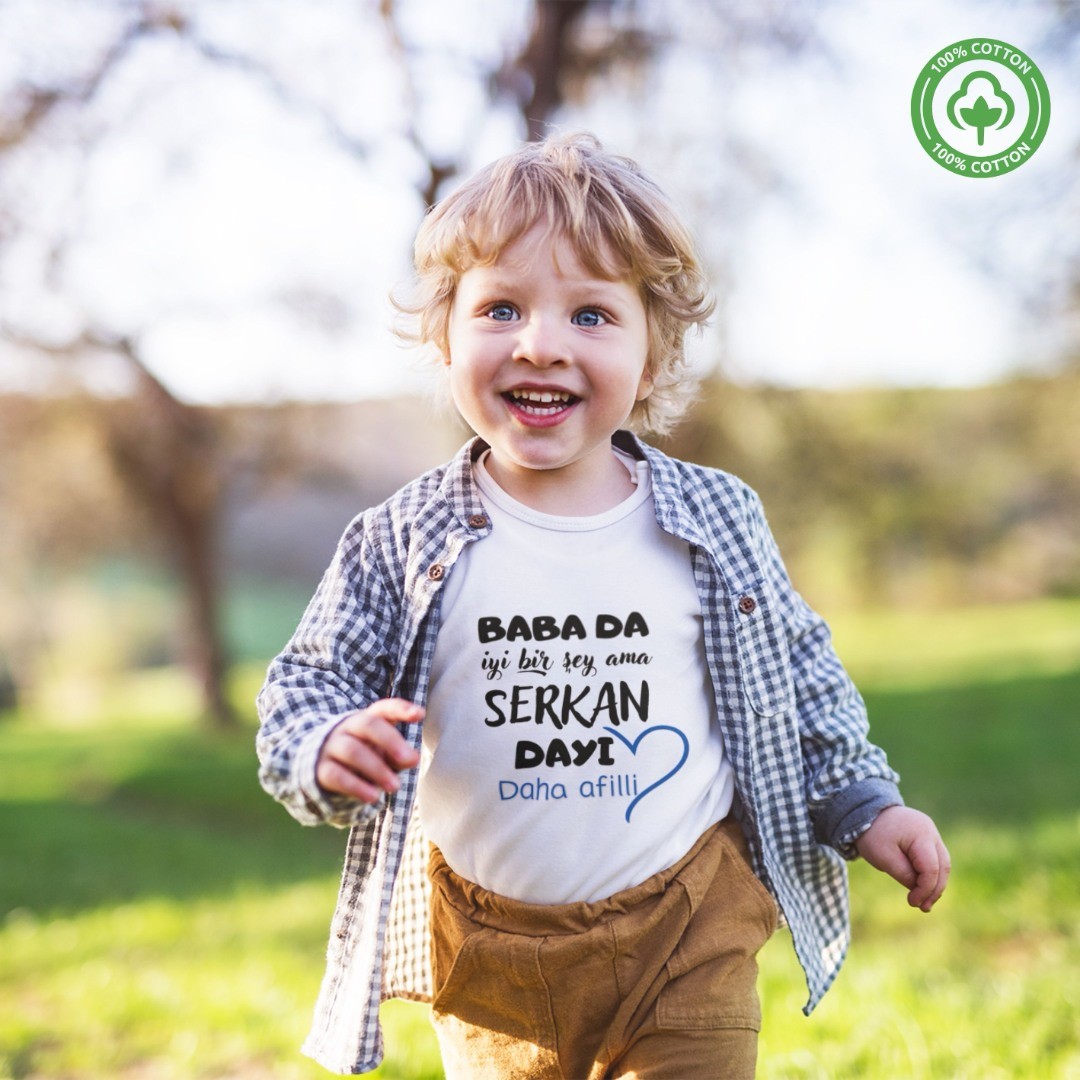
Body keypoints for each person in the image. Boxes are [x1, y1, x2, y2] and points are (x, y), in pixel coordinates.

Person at [256, 132, 950, 1078]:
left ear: (652, 351)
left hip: (686, 928)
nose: (540, 343)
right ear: (446, 335)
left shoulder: (713, 517)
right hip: (493, 956)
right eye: (501, 307)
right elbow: (308, 682)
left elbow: (799, 674)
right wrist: (325, 745)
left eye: (591, 315)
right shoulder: (402, 539)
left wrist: (865, 803)